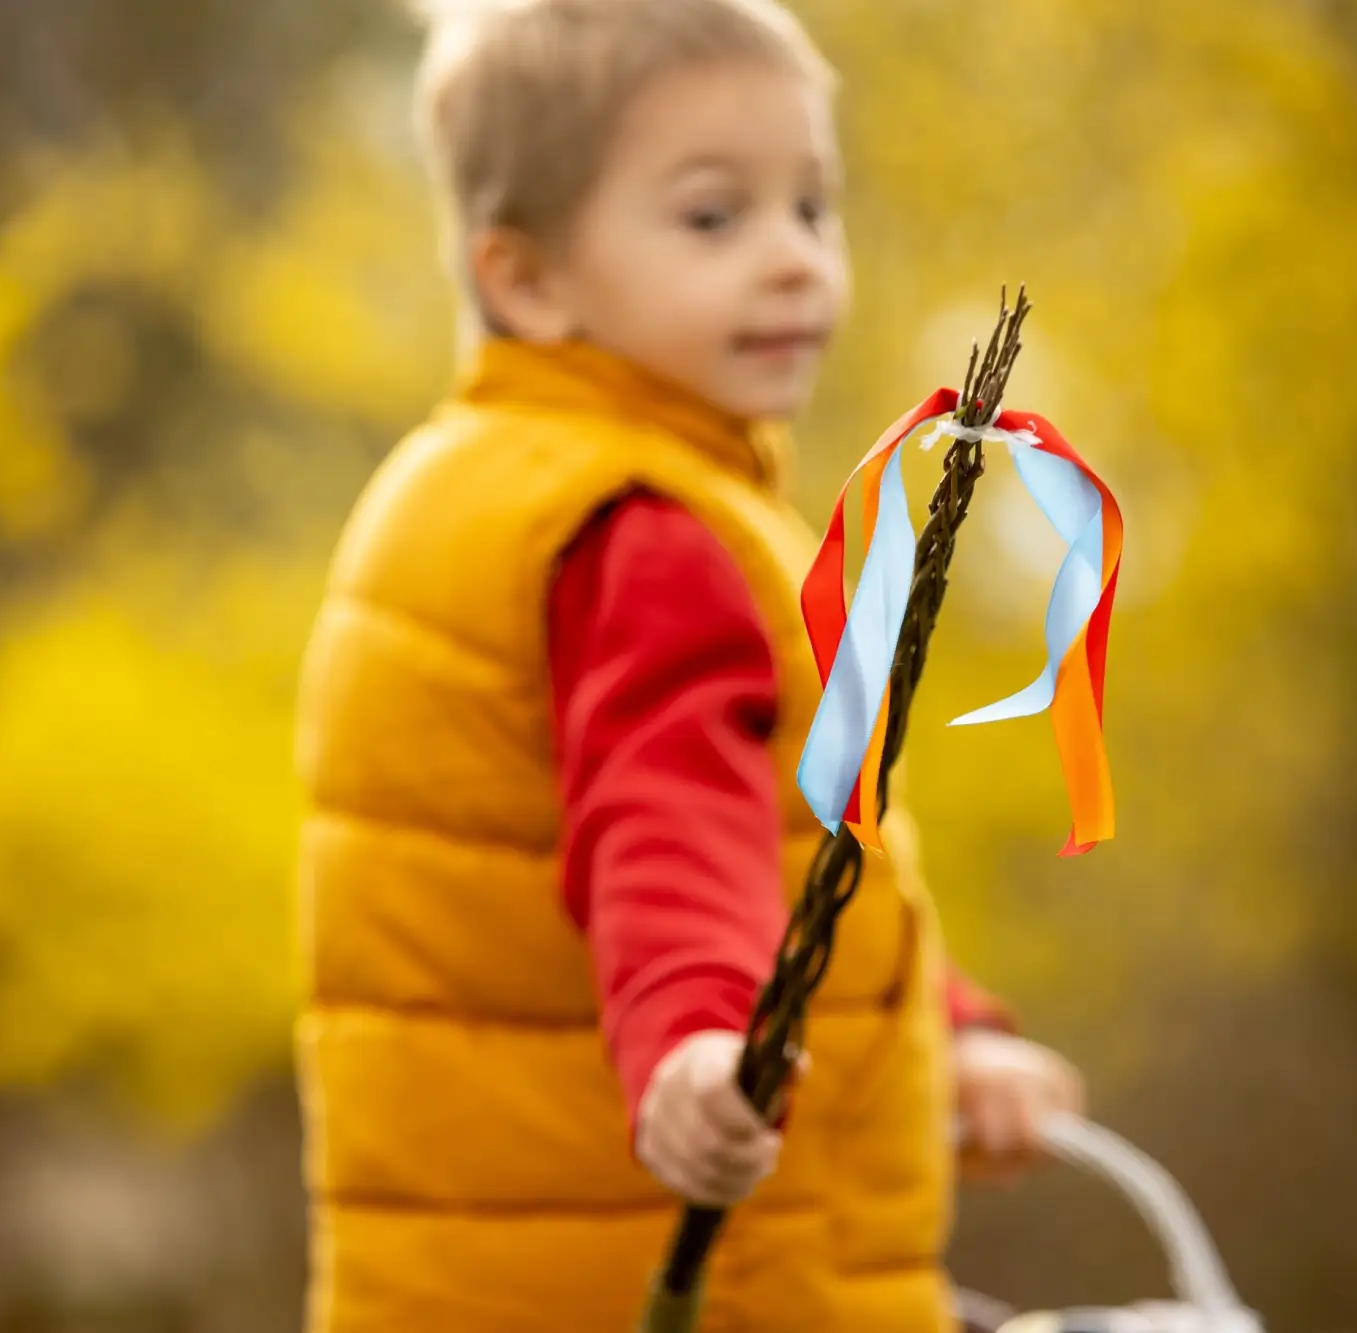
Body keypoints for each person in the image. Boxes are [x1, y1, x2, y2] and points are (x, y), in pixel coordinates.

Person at [293, 1, 1082, 1328]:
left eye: (813, 207)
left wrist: (941, 1035)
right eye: (715, 217)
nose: (793, 260)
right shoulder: (645, 532)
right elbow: (662, 825)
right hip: (704, 1285)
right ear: (528, 279)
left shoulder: (467, 490)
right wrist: (700, 1038)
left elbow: (774, 865)